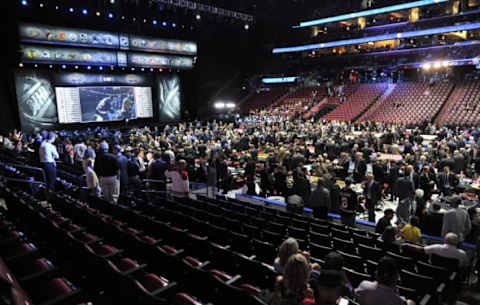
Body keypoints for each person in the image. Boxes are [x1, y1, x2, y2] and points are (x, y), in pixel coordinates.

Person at [402, 233, 469, 269]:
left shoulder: (436, 247)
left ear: (445, 240)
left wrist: (407, 245)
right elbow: (465, 266)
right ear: (457, 242)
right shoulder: (462, 254)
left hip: (433, 271)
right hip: (449, 275)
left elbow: (420, 249)